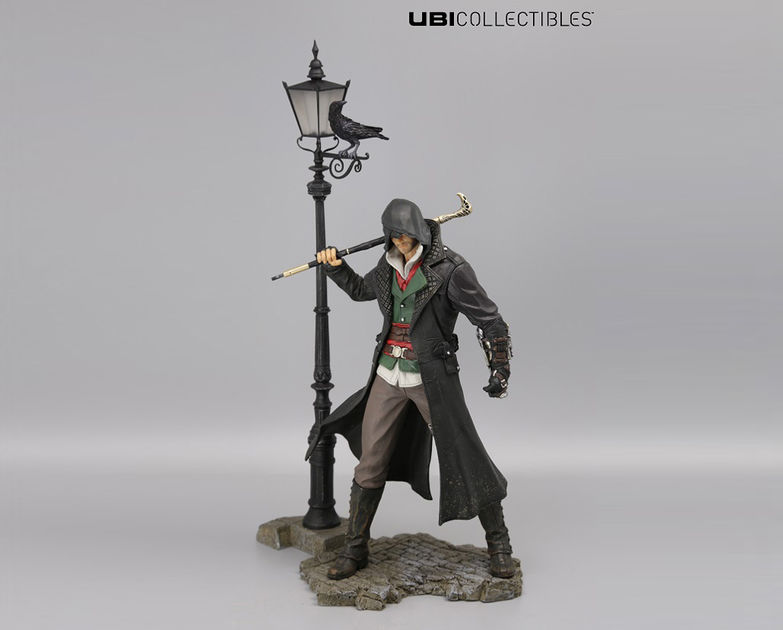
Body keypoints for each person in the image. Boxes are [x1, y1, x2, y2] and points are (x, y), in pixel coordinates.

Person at [308, 198, 514, 580]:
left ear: (419, 232)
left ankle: (499, 543)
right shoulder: (387, 266)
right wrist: (336, 266)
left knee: (467, 456)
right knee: (370, 462)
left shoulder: (451, 270)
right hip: (388, 373)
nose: (401, 243)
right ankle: (355, 548)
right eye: (395, 236)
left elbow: (490, 319)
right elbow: (360, 290)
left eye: (407, 236)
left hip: (430, 376)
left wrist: (500, 368)